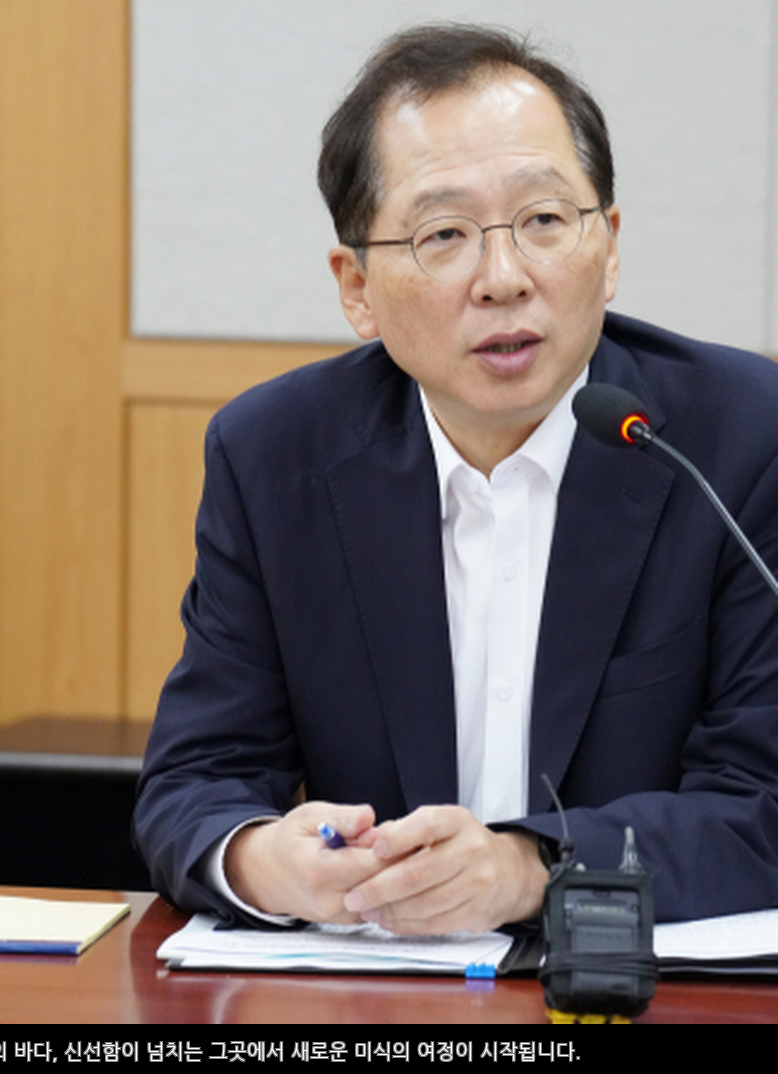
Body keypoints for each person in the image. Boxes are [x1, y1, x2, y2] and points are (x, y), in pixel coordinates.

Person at [133, 24, 778, 931]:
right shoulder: (275, 458)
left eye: (544, 221)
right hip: (379, 984)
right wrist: (261, 859)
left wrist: (529, 869)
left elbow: (762, 803)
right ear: (357, 287)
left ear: (610, 248)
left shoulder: (740, 442)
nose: (504, 278)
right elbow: (196, 780)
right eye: (445, 234)